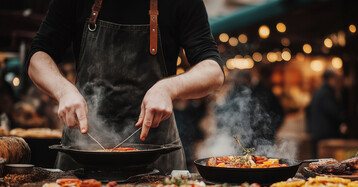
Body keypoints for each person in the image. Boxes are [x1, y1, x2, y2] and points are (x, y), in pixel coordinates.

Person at [26, 0, 224, 173]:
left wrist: (168, 88)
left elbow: (213, 70)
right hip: (83, 152)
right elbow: (38, 57)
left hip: (156, 153)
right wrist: (64, 91)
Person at [305, 69, 345, 158]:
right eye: (336, 79)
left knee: (317, 159)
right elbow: (333, 111)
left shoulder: (318, 91)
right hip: (326, 133)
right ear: (331, 79)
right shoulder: (327, 93)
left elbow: (307, 110)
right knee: (325, 160)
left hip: (317, 131)